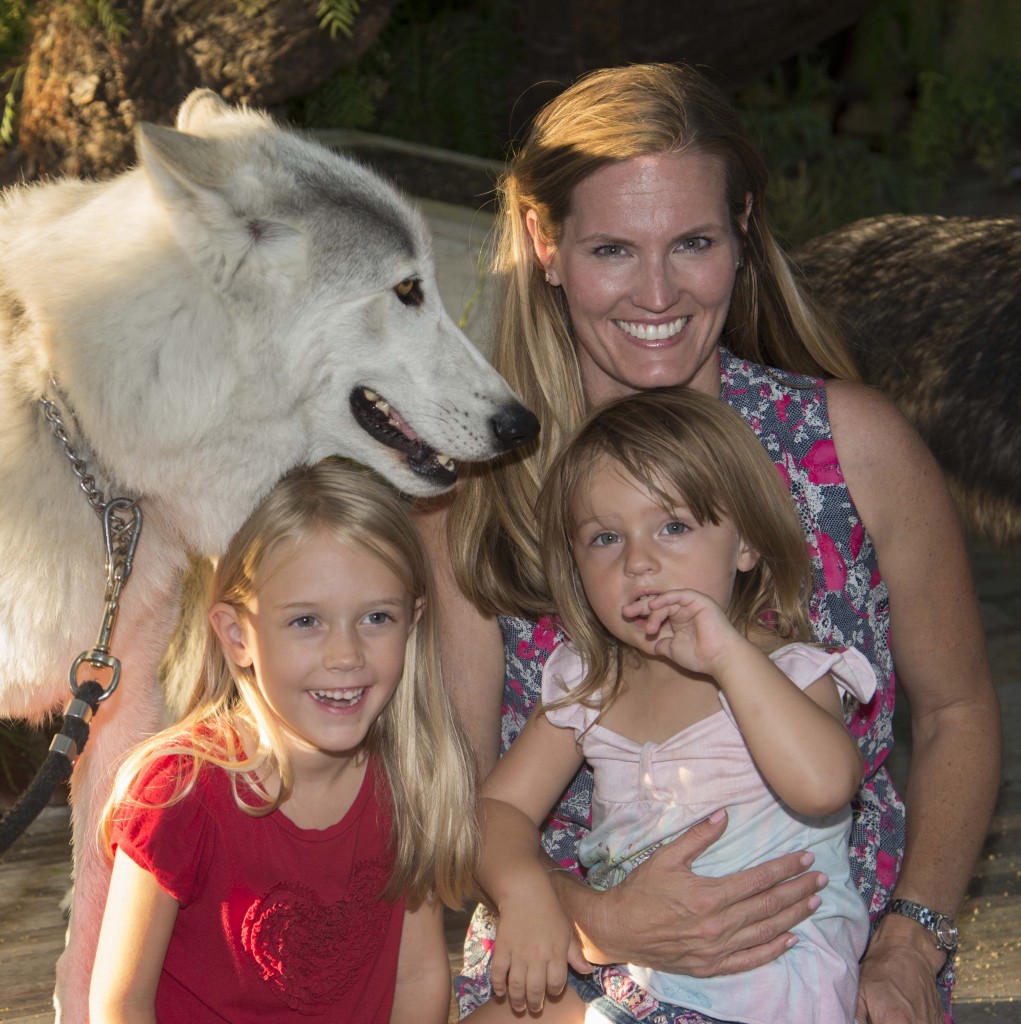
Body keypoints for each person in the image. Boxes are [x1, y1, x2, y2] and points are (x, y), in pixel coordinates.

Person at [416, 62, 1001, 1024]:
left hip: (828, 950)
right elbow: (455, 815)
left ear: (743, 230)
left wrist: (910, 940)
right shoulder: (479, 490)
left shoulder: (849, 446)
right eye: (611, 249)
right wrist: (599, 921)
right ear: (544, 243)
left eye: (691, 241)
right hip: (564, 951)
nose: (657, 293)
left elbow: (957, 715)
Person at [473, 388, 877, 1024]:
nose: (639, 561)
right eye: (606, 537)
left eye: (674, 527)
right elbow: (498, 808)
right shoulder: (589, 683)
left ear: (745, 545)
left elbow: (826, 786)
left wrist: (726, 657)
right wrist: (523, 887)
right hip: (624, 971)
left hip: (761, 988)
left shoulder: (787, 673)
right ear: (576, 570)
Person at [89, 460, 479, 1024]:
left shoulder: (410, 783)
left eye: (375, 617)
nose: (345, 655)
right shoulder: (180, 793)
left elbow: (417, 978)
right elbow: (119, 1005)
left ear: (411, 624)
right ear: (237, 636)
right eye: (306, 622)